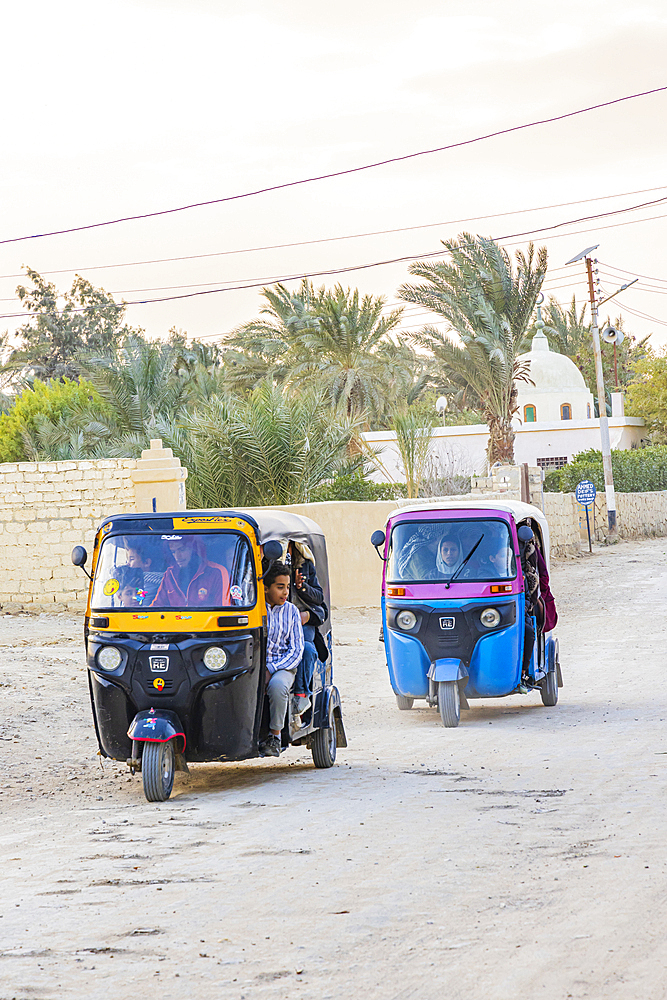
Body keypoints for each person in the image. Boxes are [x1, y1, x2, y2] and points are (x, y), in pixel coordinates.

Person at [260, 561, 304, 758]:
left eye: (287, 587)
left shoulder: (292, 611)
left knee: (277, 687)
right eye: (280, 587)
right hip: (256, 666)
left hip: (283, 667)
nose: (285, 592)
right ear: (266, 588)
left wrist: (272, 668)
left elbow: (296, 650)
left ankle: (275, 736)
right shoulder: (256, 610)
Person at [287, 541, 326, 716]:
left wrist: (301, 587)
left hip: (304, 619)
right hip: (281, 619)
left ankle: (301, 695)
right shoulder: (268, 564)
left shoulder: (304, 565)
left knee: (307, 649)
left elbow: (318, 598)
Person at [151, 536, 230, 608]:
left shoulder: (216, 572)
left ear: (194, 549)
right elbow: (156, 606)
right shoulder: (170, 573)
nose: (177, 557)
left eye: (182, 550)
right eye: (173, 552)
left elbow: (224, 610)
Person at [124, 540, 163, 605]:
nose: (128, 564)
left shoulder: (150, 584)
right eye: (127, 560)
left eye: (132, 559)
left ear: (146, 563)